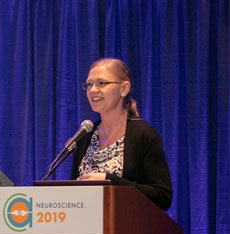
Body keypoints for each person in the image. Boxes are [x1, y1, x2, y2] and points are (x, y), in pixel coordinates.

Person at [71, 58, 172, 211]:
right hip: (88, 231)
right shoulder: (85, 137)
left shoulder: (143, 134)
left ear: (124, 89)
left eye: (102, 83)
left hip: (128, 230)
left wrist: (109, 180)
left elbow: (162, 196)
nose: (92, 90)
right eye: (89, 84)